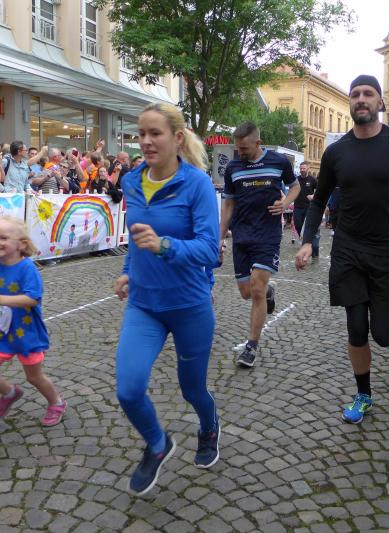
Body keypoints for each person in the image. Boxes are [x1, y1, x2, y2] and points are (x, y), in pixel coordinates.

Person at [295, 74, 389, 424]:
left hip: (388, 250)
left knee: (381, 334)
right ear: (350, 102)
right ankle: (364, 395)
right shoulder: (336, 152)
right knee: (356, 329)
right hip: (348, 249)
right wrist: (307, 241)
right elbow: (318, 201)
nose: (361, 99)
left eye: (368, 94)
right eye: (355, 94)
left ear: (380, 103)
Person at [113, 103, 221, 496]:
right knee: (128, 389)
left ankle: (209, 426)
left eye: (154, 133)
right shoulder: (131, 181)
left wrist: (165, 246)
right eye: (140, 133)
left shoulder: (197, 184)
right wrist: (128, 269)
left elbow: (210, 249)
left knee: (192, 390)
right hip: (144, 304)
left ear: (177, 138)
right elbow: (136, 237)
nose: (145, 141)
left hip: (189, 305)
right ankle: (158, 445)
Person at [0, 216, 66, 425]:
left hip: (26, 334)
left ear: (21, 244)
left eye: (3, 238)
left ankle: (56, 402)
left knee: (34, 377)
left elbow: (32, 298)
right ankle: (10, 393)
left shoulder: (27, 268)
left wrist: (1, 299)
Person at [219, 122, 301, 368]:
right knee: (247, 292)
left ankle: (251, 347)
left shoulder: (279, 162)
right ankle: (269, 292)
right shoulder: (233, 168)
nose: (240, 152)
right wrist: (219, 237)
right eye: (237, 148)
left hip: (268, 234)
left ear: (258, 143)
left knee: (256, 288)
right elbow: (228, 205)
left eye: (244, 148)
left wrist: (285, 203)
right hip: (242, 235)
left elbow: (295, 186)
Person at [292, 162, 320, 257]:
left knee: (307, 226)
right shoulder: (296, 179)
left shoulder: (313, 179)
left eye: (304, 168)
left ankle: (308, 243)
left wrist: (313, 196)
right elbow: (292, 189)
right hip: (297, 206)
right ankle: (305, 239)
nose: (302, 170)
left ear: (308, 168)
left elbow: (319, 191)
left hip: (308, 207)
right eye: (301, 168)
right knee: (297, 224)